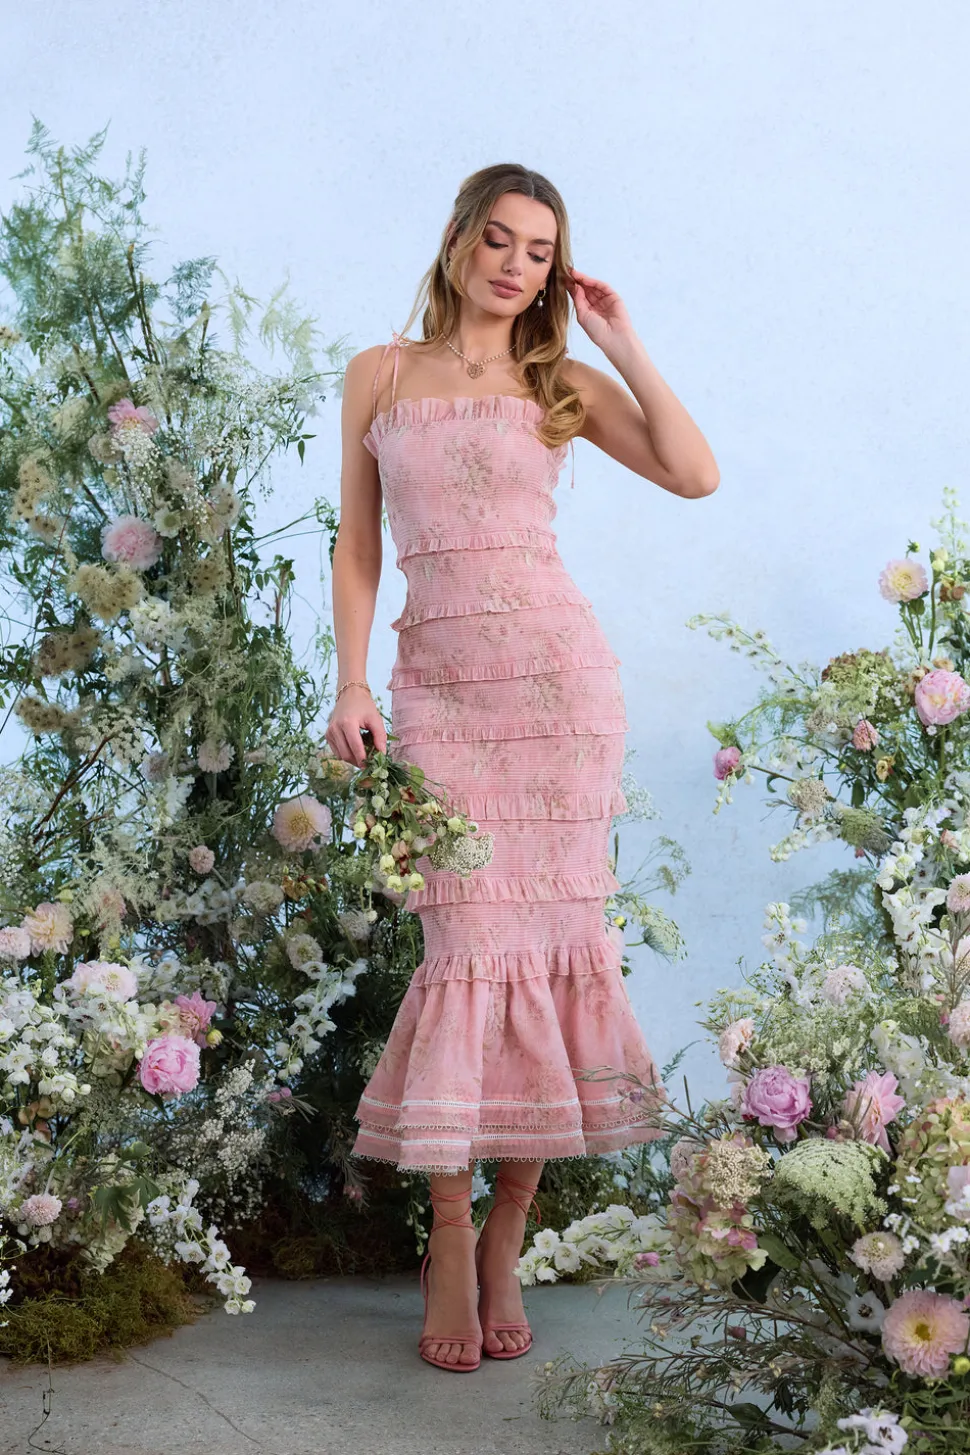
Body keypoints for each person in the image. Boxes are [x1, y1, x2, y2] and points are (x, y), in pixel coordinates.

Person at [325, 162, 719, 1373]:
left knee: (551, 957)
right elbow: (357, 544)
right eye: (497, 239)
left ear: (556, 269)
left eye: (538, 251)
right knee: (463, 951)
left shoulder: (560, 382)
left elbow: (694, 473)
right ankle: (447, 1232)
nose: (513, 265)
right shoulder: (378, 373)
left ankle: (506, 1230)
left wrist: (620, 340)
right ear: (457, 240)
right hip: (438, 699)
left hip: (558, 698)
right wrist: (350, 683)